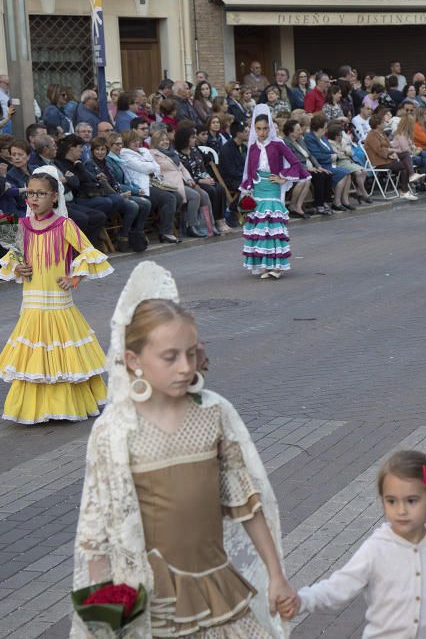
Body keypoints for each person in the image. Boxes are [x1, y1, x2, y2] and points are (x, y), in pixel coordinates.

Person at [71, 261, 294, 637]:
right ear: (133, 361)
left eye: (191, 353)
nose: (184, 367)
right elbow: (98, 531)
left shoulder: (214, 414)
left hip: (218, 589)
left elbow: (246, 501)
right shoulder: (115, 430)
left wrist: (276, 575)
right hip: (151, 600)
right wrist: (107, 619)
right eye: (170, 357)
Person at [281, 450, 426, 639]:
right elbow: (338, 587)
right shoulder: (376, 548)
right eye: (391, 501)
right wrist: (302, 601)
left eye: (411, 501)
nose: (401, 510)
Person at [0, 169, 112, 424]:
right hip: (33, 301)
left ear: (54, 197)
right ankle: (33, 409)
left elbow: (89, 253)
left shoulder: (65, 225)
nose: (34, 198)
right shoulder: (20, 226)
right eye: (30, 193)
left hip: (58, 301)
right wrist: (18, 267)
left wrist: (74, 278)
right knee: (34, 354)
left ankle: (65, 405)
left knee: (62, 353)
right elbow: (14, 259)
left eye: (40, 193)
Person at [240, 105, 309, 279]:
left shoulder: (277, 144)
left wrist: (283, 177)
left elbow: (296, 164)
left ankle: (277, 266)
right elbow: (249, 171)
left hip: (272, 188)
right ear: (254, 129)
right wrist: (247, 189)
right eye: (258, 129)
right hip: (258, 189)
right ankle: (265, 265)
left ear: (270, 128)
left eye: (265, 128)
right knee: (260, 229)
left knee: (273, 227)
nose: (262, 132)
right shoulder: (253, 148)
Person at [87, 136, 152, 252]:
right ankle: (123, 236)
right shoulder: (90, 164)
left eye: (103, 149)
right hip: (105, 196)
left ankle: (137, 233)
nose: (100, 152)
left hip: (117, 193)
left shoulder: (106, 162)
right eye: (97, 149)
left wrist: (131, 191)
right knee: (133, 206)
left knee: (146, 203)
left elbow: (114, 182)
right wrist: (120, 195)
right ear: (92, 150)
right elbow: (102, 187)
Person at [116, 131, 180, 244]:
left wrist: (150, 166)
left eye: (137, 140)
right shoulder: (125, 154)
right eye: (133, 141)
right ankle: (166, 232)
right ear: (126, 142)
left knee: (177, 196)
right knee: (168, 198)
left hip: (155, 183)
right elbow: (145, 168)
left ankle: (161, 225)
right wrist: (151, 165)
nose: (136, 143)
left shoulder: (144, 151)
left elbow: (157, 167)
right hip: (141, 187)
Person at [151, 129, 206, 238]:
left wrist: (189, 179)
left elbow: (182, 168)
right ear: (156, 141)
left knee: (201, 193)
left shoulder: (172, 153)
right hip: (168, 184)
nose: (165, 142)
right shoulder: (153, 153)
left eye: (166, 139)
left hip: (181, 181)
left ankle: (194, 225)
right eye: (162, 140)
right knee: (194, 196)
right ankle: (190, 226)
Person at [363, 111, 418, 201]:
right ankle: (404, 190)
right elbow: (379, 150)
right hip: (379, 161)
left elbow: (390, 145)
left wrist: (396, 150)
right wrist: (392, 151)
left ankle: (407, 184)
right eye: (383, 122)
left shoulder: (382, 134)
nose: (385, 123)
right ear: (378, 124)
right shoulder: (372, 135)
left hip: (387, 159)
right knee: (404, 165)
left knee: (405, 154)